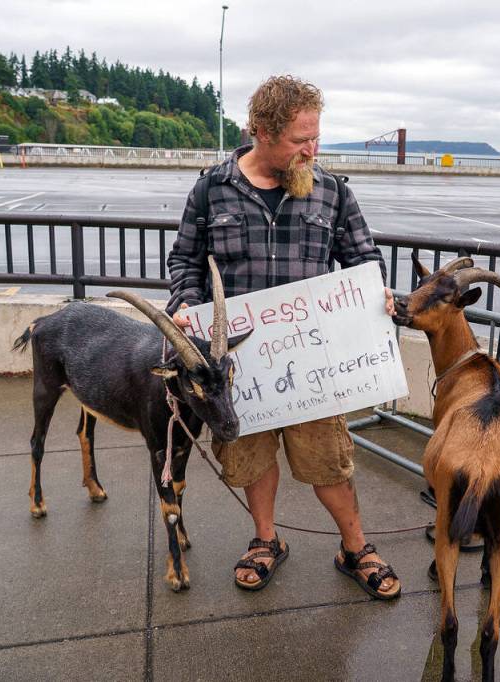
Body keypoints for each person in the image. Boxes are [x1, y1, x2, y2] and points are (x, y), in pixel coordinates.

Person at [165, 75, 401, 600]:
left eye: (316, 137)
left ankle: (355, 548)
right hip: (239, 369)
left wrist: (376, 295)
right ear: (261, 133)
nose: (311, 150)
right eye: (300, 140)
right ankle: (266, 541)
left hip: (313, 366)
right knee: (251, 459)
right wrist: (183, 304)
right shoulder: (211, 189)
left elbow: (363, 262)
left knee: (329, 462)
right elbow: (184, 262)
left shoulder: (333, 192)